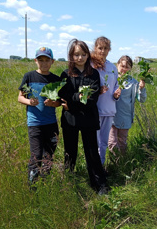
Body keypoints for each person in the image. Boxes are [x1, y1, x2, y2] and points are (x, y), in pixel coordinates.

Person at [58, 39, 108, 195]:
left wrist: (71, 102)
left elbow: (91, 99)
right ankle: (69, 182)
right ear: (71, 56)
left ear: (88, 55)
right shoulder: (65, 74)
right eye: (76, 54)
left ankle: (99, 184)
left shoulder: (93, 74)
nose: (80, 58)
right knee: (70, 152)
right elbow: (62, 95)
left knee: (92, 152)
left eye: (83, 54)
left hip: (88, 119)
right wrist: (78, 97)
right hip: (70, 120)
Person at [18, 46, 61, 184]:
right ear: (35, 61)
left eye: (47, 60)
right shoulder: (29, 76)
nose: (44, 63)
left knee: (49, 155)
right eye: (40, 60)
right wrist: (29, 102)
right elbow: (20, 97)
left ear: (52, 61)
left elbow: (59, 102)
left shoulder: (55, 79)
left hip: (51, 123)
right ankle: (32, 184)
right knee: (36, 155)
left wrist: (53, 103)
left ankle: (45, 182)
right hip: (35, 123)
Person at [108, 55, 147, 156]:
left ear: (130, 68)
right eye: (122, 66)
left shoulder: (133, 82)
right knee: (112, 142)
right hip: (111, 115)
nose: (124, 69)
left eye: (127, 67)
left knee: (122, 141)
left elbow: (141, 99)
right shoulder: (111, 79)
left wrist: (141, 89)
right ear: (117, 65)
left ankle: (122, 161)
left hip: (125, 116)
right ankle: (114, 161)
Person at [91, 36, 120, 165]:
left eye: (105, 48)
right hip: (95, 110)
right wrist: (97, 90)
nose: (102, 51)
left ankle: (101, 166)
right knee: (94, 142)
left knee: (104, 142)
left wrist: (116, 94)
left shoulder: (113, 67)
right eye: (100, 48)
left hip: (109, 109)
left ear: (109, 50)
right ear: (95, 48)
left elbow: (115, 86)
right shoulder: (90, 65)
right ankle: (94, 167)